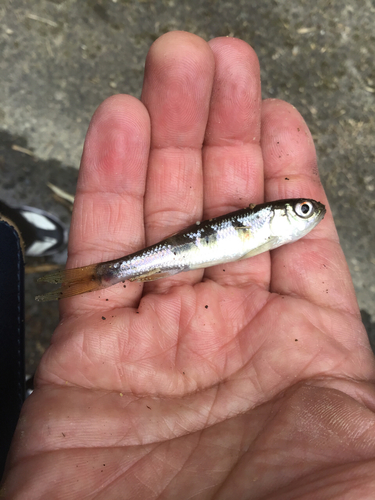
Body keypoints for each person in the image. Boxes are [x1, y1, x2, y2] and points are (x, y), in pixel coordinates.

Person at [2, 32, 375, 498]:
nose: (308, 214)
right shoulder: (272, 224)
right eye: (301, 211)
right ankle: (85, 271)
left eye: (303, 211)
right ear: (281, 217)